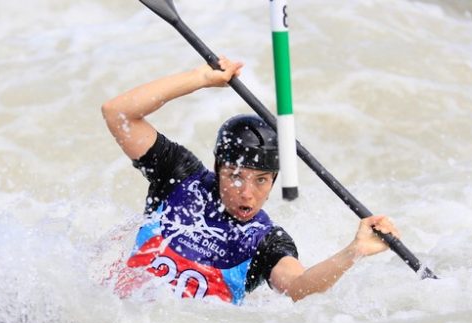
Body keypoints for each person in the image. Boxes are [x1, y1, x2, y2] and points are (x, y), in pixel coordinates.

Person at [101, 56, 400, 304]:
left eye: (261, 180)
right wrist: (200, 79)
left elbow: (298, 288)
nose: (247, 194)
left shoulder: (265, 241)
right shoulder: (178, 176)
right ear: (218, 167)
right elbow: (117, 112)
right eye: (235, 177)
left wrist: (354, 251)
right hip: (114, 318)